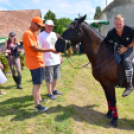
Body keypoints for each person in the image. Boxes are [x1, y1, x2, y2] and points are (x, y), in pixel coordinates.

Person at [23, 17, 58, 111]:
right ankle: (37, 105)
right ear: (33, 23)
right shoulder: (28, 33)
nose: (39, 28)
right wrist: (50, 49)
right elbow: (35, 48)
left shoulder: (33, 33)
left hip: (38, 62)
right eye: (39, 26)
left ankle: (39, 99)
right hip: (35, 63)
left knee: (38, 84)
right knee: (36, 84)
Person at [104, 14, 134, 97]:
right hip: (119, 47)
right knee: (117, 60)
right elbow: (106, 41)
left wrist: (126, 48)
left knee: (127, 61)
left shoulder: (130, 29)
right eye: (117, 24)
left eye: (120, 24)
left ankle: (129, 86)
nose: (118, 26)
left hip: (130, 47)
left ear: (123, 23)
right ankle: (120, 79)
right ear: (114, 23)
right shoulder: (111, 32)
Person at [38, 19, 63, 100]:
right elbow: (40, 49)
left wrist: (60, 56)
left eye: (51, 26)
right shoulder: (41, 35)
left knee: (55, 76)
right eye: (48, 26)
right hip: (47, 60)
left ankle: (54, 89)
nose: (50, 28)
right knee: (49, 77)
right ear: (45, 26)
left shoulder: (53, 34)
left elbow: (55, 46)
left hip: (56, 59)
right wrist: (41, 61)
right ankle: (50, 93)